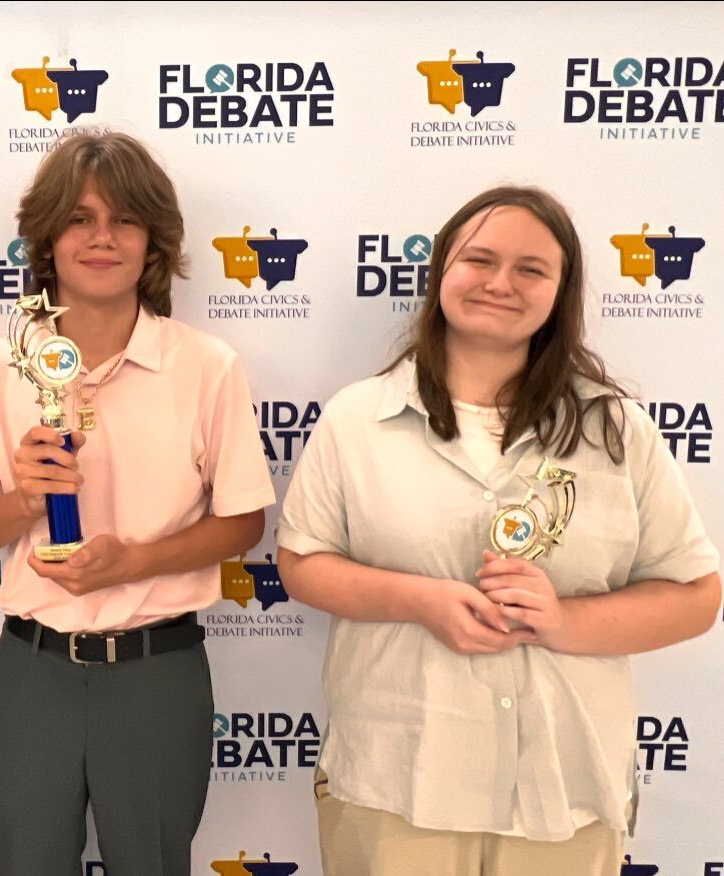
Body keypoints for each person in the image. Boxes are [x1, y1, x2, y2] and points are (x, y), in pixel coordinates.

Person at [276, 186, 720, 875]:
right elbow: (302, 564)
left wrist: (559, 621)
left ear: (560, 291)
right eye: (477, 259)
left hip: (562, 791)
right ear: (440, 273)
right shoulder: (356, 419)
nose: (499, 283)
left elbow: (695, 595)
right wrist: (420, 600)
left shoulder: (616, 431)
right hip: (396, 783)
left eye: (530, 269)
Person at [0, 132, 274, 876]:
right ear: (47, 236)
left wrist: (136, 561)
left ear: (153, 240)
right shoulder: (1, 367)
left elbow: (244, 521)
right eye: (79, 218)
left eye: (123, 220)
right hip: (32, 672)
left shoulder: (205, 365)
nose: (101, 238)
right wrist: (28, 498)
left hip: (156, 672)